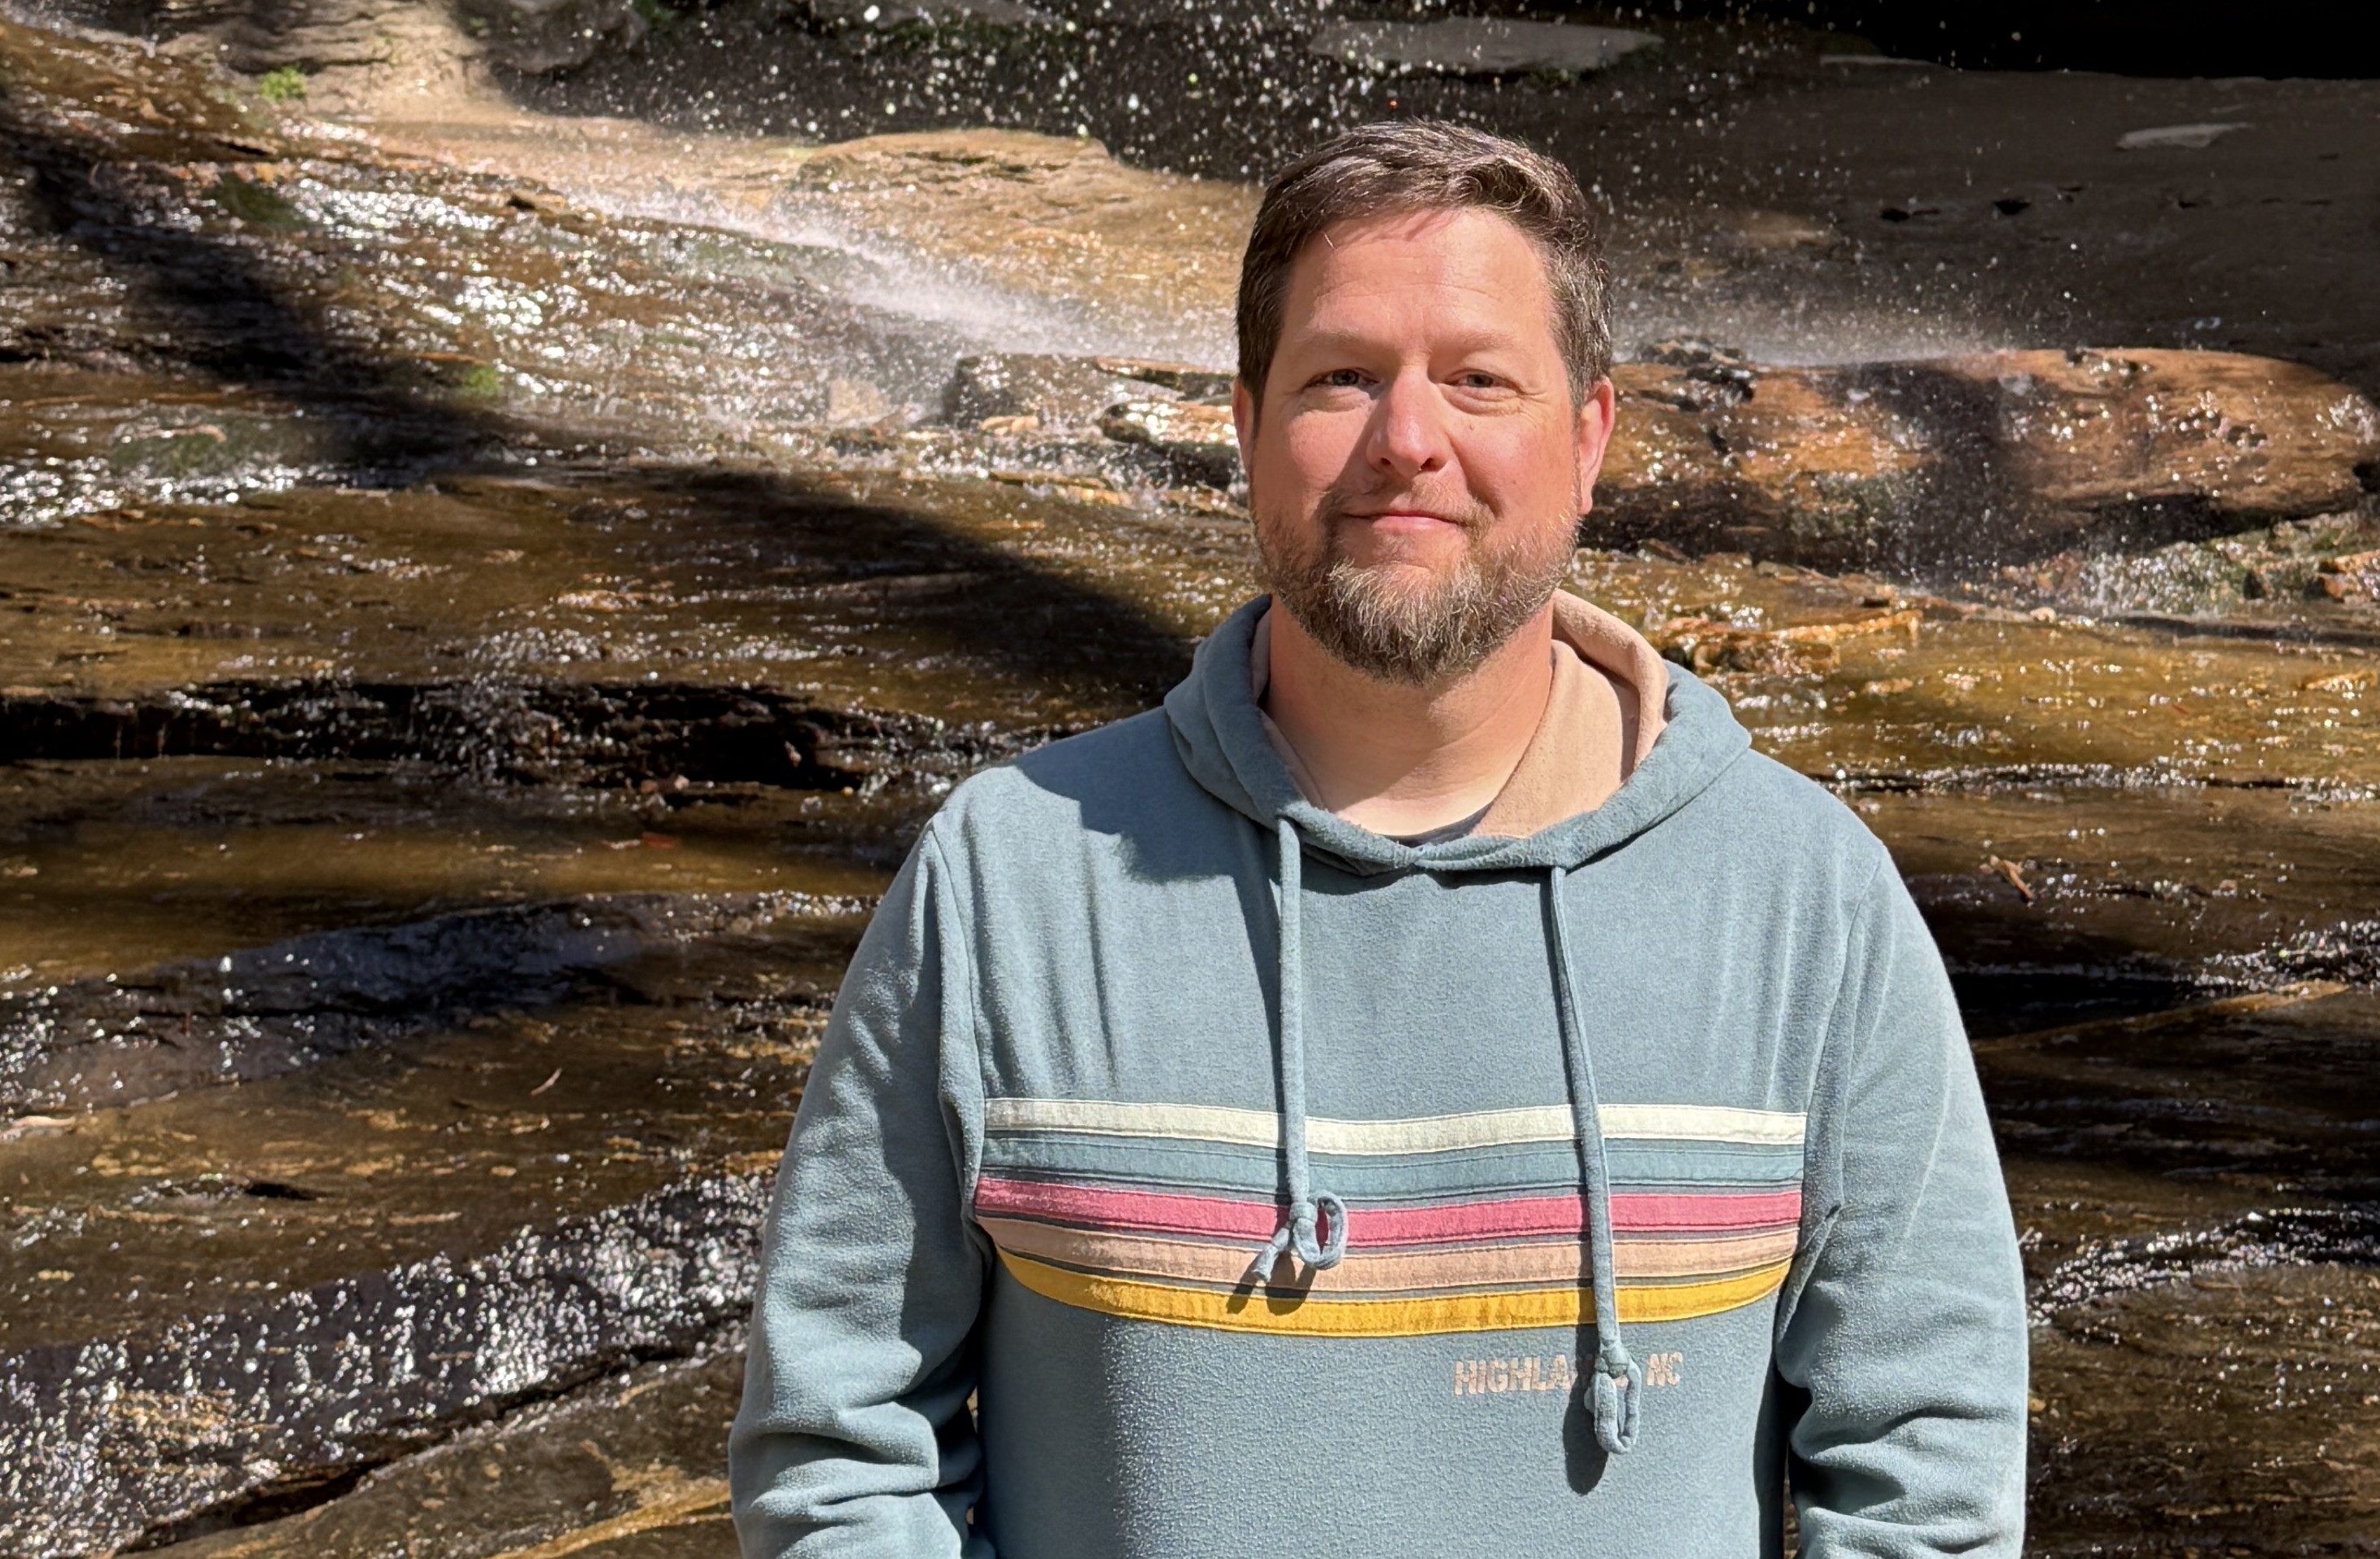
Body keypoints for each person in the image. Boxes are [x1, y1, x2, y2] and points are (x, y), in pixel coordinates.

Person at [730, 120, 2026, 1558]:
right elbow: (841, 1446)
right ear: (1243, 425)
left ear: (1590, 437)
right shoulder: (1006, 879)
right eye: (1341, 376)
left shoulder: (1806, 898)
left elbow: (1925, 1469)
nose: (1407, 440)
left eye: (1478, 379)